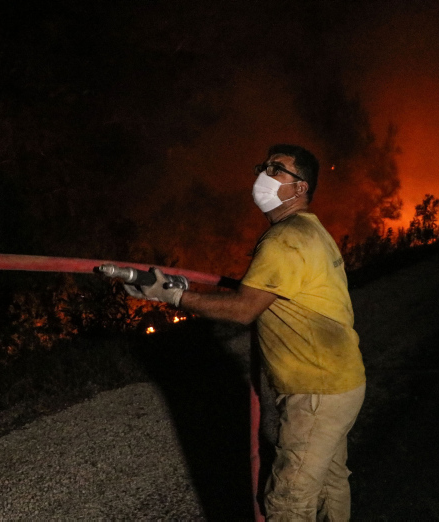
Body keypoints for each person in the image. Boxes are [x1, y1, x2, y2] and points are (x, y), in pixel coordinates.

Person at [127, 144, 366, 521]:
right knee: (330, 481)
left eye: (276, 169)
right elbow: (265, 292)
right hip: (342, 382)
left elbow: (243, 309)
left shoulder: (284, 240)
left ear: (300, 187)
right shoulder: (311, 230)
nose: (263, 176)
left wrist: (172, 296)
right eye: (263, 167)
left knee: (288, 500)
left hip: (317, 391)